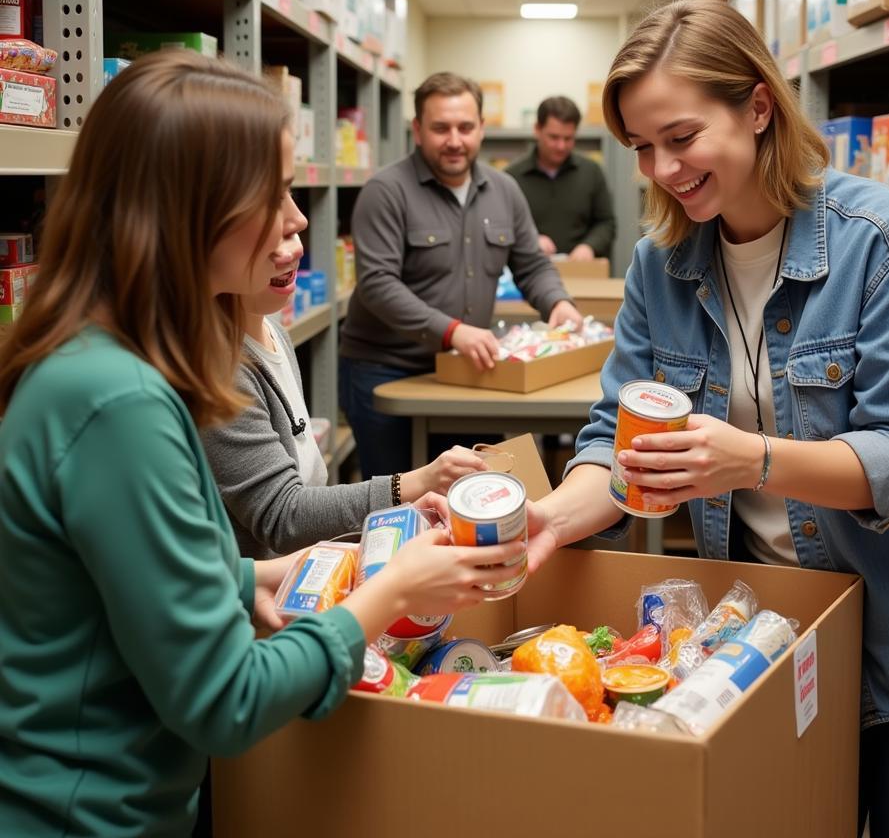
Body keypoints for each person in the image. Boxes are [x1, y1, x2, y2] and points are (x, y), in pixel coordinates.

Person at [525, 0, 889, 838]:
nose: (662, 169)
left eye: (681, 137)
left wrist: (749, 458)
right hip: (786, 637)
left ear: (758, 108)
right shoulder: (661, 266)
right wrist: (542, 521)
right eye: (643, 148)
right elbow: (617, 443)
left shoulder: (886, 243)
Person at [0, 51, 523, 837]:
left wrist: (247, 576)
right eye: (273, 193)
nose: (299, 219)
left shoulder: (103, 362)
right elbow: (227, 700)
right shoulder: (117, 402)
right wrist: (392, 593)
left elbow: (110, 572)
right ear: (189, 209)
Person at [201, 209, 490, 560]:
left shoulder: (272, 329)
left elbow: (304, 494)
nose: (299, 225)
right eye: (272, 237)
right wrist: (416, 483)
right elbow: (283, 516)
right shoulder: (217, 366)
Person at [339, 72, 582, 478]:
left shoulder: (504, 191)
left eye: (466, 127)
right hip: (385, 370)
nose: (455, 140)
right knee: (400, 503)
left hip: (465, 369)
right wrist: (453, 330)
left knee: (471, 493)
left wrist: (557, 301)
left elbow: (531, 264)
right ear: (417, 130)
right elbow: (378, 284)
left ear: (481, 129)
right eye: (441, 128)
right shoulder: (385, 191)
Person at [506, 96, 616, 261]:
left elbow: (606, 223)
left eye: (568, 138)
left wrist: (589, 246)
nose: (561, 146)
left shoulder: (592, 172)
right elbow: (502, 227)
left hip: (581, 272)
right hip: (528, 272)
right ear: (537, 129)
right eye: (554, 137)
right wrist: (530, 239)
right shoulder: (511, 177)